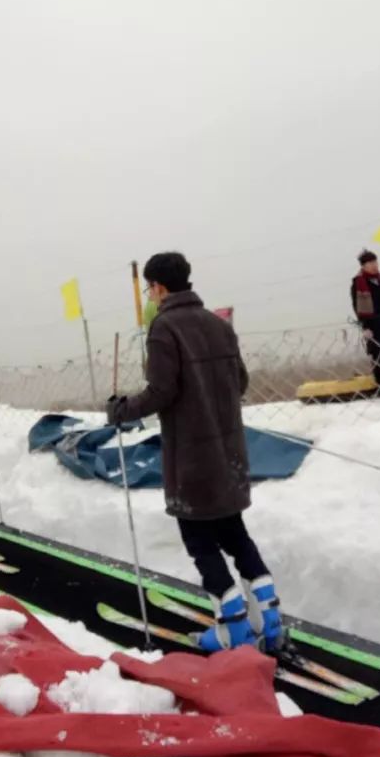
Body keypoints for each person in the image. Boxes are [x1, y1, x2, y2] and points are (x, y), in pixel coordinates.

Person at [106, 252, 283, 654]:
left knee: (199, 539)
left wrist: (122, 410)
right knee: (234, 534)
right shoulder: (218, 326)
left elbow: (161, 392)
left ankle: (233, 627)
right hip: (229, 452)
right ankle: (270, 618)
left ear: (160, 287)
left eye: (150, 287)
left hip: (191, 457)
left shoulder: (164, 328)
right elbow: (239, 381)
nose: (150, 294)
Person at [351, 249, 380, 388]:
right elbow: (357, 305)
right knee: (378, 355)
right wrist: (365, 326)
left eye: (375, 262)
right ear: (363, 266)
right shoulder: (358, 282)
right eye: (370, 263)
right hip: (372, 323)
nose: (374, 265)